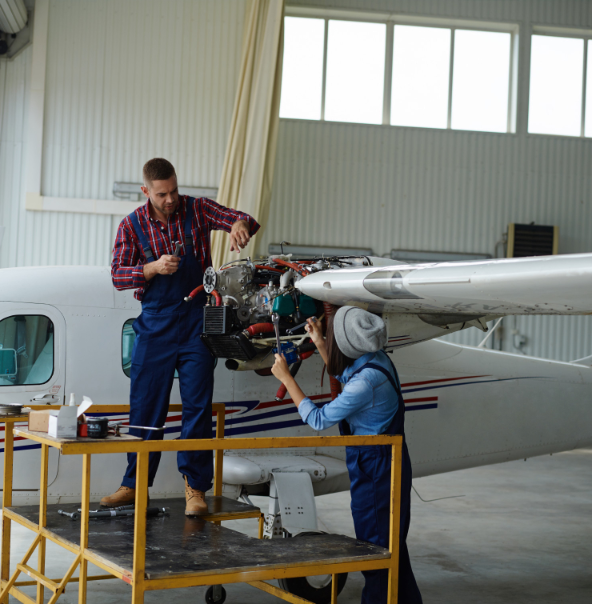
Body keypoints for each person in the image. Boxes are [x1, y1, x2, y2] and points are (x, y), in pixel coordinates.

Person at [105, 157, 259, 515]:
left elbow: (241, 218)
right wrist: (153, 268)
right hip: (155, 325)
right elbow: (118, 275)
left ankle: (195, 490)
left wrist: (239, 227)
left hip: (195, 324)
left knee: (197, 409)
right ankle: (133, 484)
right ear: (146, 191)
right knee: (145, 409)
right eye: (162, 194)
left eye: (174, 190)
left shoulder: (198, 209)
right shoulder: (132, 226)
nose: (171, 199)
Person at [271, 307, 423, 603]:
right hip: (383, 461)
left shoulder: (365, 384)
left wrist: (286, 378)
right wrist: (319, 342)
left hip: (377, 468)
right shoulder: (377, 361)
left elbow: (317, 419)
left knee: (375, 550)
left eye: (333, 336)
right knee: (392, 546)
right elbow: (344, 372)